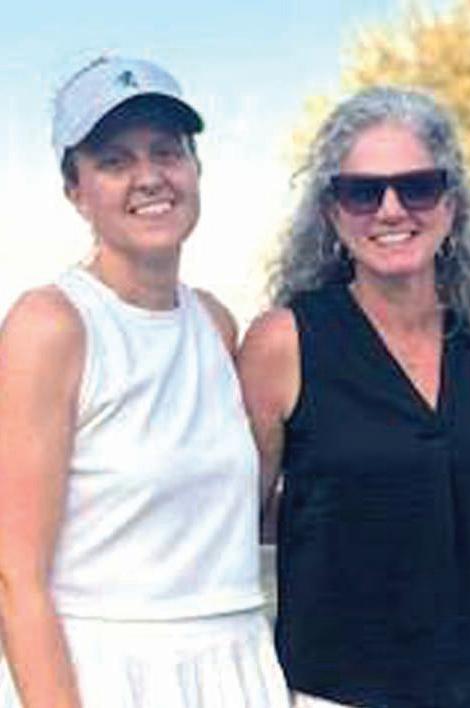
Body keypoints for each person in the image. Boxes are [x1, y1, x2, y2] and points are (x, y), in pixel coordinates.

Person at [238, 86, 470, 708]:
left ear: (451, 204)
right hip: (341, 688)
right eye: (362, 192)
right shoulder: (284, 343)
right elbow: (231, 519)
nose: (390, 209)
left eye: (417, 187)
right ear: (332, 212)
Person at [0, 56, 289, 707]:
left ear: (195, 167)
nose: (150, 176)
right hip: (106, 674)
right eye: (114, 161)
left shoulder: (215, 324)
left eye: (167, 151)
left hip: (237, 664)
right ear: (75, 190)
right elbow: (17, 578)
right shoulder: (51, 325)